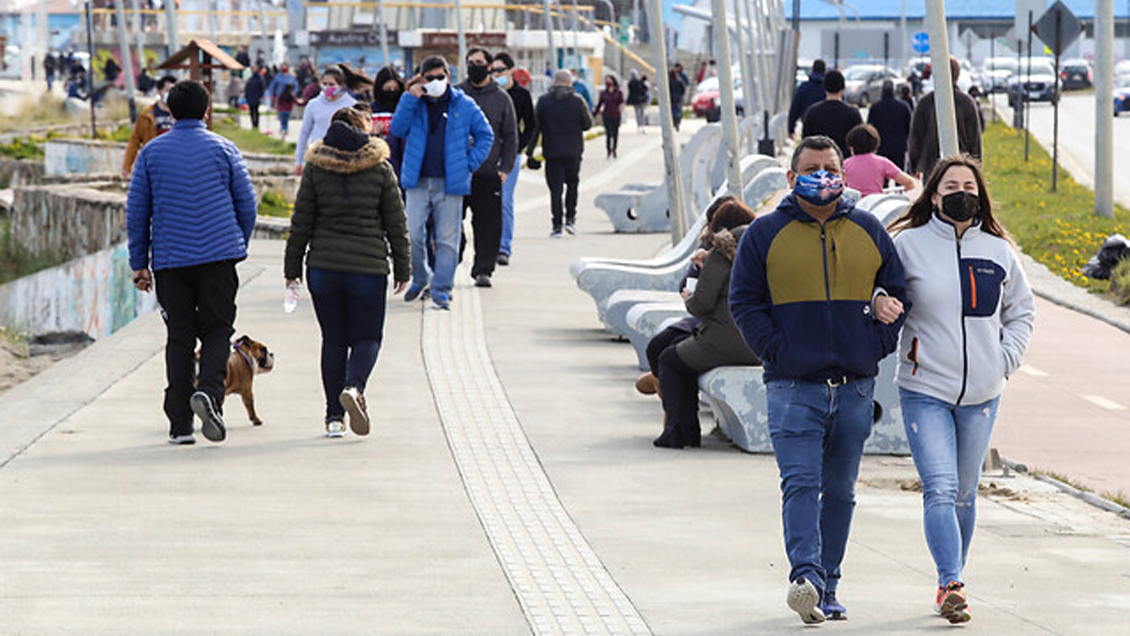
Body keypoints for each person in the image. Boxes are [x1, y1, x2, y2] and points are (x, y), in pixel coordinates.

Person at [729, 135, 909, 624]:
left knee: (842, 490)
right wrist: (778, 351)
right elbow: (744, 304)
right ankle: (805, 576)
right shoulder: (764, 235)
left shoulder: (870, 230)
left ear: (844, 176)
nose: (822, 176)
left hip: (855, 387)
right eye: (811, 168)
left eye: (830, 168)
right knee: (801, 484)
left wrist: (875, 342)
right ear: (791, 177)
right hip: (791, 388)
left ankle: (828, 585)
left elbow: (898, 296)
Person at [885, 156, 1035, 624]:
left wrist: (1004, 360)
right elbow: (880, 291)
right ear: (933, 195)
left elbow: (1022, 312)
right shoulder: (906, 244)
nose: (961, 192)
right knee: (941, 487)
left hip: (983, 393)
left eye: (969, 185)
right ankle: (952, 582)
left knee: (966, 493)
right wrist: (879, 304)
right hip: (923, 386)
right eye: (951, 185)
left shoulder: (997, 250)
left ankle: (950, 582)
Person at [126, 79, 258, 446]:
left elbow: (137, 212)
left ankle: (180, 424)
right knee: (218, 331)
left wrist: (140, 264)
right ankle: (211, 395)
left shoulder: (151, 154)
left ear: (168, 110)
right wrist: (237, 244)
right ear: (207, 110)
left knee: (180, 338)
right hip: (218, 258)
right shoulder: (225, 149)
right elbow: (248, 205)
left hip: (170, 262)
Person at [284, 109, 410, 439]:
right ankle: (354, 387)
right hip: (367, 269)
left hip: (323, 269)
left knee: (334, 340)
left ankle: (334, 418)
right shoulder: (380, 168)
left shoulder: (316, 167)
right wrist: (403, 267)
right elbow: (396, 223)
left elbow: (301, 222)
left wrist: (291, 269)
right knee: (368, 337)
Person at [653, 200, 760, 449]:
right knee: (683, 351)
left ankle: (679, 431)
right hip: (761, 342)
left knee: (670, 359)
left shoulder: (720, 252)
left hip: (725, 341)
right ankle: (686, 430)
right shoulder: (762, 248)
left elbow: (701, 305)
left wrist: (690, 297)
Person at [389, 55, 493, 311]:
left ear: (448, 76)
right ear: (421, 79)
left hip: (450, 183)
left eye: (440, 77)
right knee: (412, 234)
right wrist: (409, 98)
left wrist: (468, 164)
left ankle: (441, 290)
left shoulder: (464, 104)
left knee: (448, 240)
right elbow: (397, 129)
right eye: (430, 78)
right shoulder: (414, 103)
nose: (436, 82)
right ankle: (420, 277)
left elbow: (485, 135)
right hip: (418, 181)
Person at [635, 195, 736, 396]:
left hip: (718, 325)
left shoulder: (730, 252)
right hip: (707, 321)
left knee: (671, 356)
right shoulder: (709, 247)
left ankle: (669, 401)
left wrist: (707, 271)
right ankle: (661, 384)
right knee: (660, 346)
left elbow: (701, 303)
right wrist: (700, 268)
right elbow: (687, 284)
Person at [456, 48, 518, 289]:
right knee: (451, 221)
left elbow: (511, 136)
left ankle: (483, 269)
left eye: (479, 62)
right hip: (459, 171)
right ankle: (454, 257)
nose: (474, 66)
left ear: (489, 66)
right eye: (470, 62)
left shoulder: (502, 98)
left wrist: (505, 168)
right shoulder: (458, 94)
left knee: (488, 224)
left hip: (489, 173)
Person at [527, 69, 592, 237]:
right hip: (573, 152)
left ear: (554, 82)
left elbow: (536, 128)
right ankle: (570, 220)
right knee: (572, 186)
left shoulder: (543, 101)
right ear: (570, 83)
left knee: (555, 190)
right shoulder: (578, 101)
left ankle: (557, 226)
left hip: (552, 153)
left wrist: (530, 152)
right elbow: (587, 125)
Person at [492, 52, 535, 267]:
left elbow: (531, 125)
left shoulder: (521, 95)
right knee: (487, 201)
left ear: (510, 70)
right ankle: (489, 244)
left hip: (511, 155)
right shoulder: (489, 93)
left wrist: (519, 147)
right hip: (489, 154)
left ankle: (503, 247)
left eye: (500, 70)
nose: (496, 74)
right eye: (493, 70)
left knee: (505, 200)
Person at [908, 56, 982, 179]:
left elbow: (916, 137)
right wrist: (977, 169)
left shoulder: (926, 103)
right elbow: (975, 139)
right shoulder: (967, 103)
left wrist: (914, 166)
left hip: (932, 166)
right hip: (962, 165)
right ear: (957, 75)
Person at [295, 67, 357, 176]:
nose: (328, 87)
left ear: (341, 86)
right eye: (325, 84)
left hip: (342, 159)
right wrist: (299, 161)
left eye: (332, 84)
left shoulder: (351, 105)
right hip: (317, 158)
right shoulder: (313, 105)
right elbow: (304, 134)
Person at [122, 75, 178, 180]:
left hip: (175, 163)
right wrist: (127, 166)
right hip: (155, 164)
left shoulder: (181, 113)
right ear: (159, 91)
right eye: (168, 90)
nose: (170, 94)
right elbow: (135, 141)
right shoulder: (147, 115)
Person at [800, 69, 862, 160]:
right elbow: (860, 141)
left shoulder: (813, 112)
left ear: (824, 88)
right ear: (843, 88)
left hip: (818, 162)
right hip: (844, 162)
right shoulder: (852, 113)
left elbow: (805, 140)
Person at [843, 124, 915, 196]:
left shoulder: (845, 164)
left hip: (854, 203)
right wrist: (907, 187)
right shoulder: (882, 162)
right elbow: (909, 182)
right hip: (874, 203)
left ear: (851, 147)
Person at [866, 80, 913, 170]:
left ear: (881, 92)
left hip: (881, 147)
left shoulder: (875, 108)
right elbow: (910, 127)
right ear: (894, 91)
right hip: (899, 146)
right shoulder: (903, 106)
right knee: (900, 176)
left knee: (883, 178)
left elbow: (870, 128)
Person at [371, 64, 406, 176]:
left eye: (395, 89)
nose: (391, 92)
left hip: (400, 160)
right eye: (387, 89)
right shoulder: (371, 110)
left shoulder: (404, 109)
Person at [788, 59, 826, 138]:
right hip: (828, 126)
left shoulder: (804, 87)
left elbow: (795, 108)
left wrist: (791, 129)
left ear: (812, 70)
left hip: (808, 125)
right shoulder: (829, 87)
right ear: (825, 70)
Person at [593, 74, 624, 159]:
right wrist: (594, 114)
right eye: (607, 80)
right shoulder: (603, 93)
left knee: (615, 133)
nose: (608, 82)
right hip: (606, 114)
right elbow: (599, 104)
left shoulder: (618, 92)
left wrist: (620, 108)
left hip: (616, 115)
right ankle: (608, 150)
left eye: (609, 80)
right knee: (608, 133)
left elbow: (622, 101)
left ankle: (614, 149)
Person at [668, 66, 688, 132]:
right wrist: (681, 95)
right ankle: (677, 121)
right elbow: (683, 89)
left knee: (672, 110)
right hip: (678, 99)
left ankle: (674, 121)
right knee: (678, 110)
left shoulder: (668, 82)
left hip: (671, 99)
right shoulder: (679, 81)